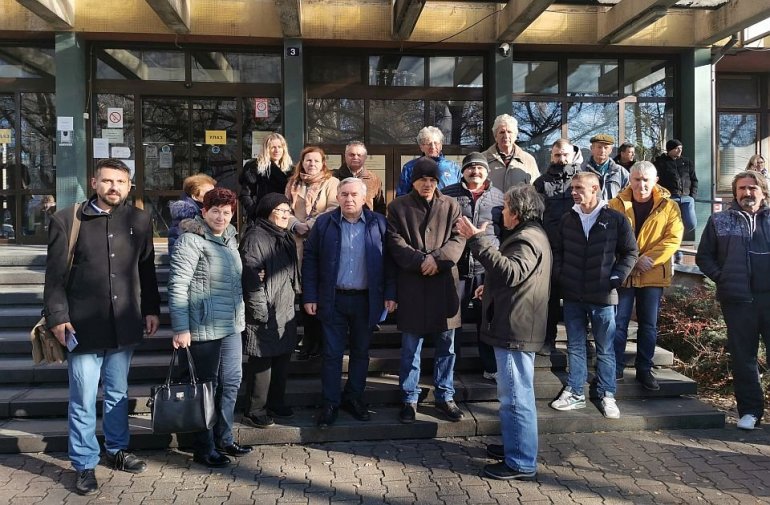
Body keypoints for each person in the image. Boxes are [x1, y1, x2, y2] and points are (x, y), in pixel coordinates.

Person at [43, 158, 161, 495]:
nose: (114, 187)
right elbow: (54, 277)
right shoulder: (67, 219)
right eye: (107, 181)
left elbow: (147, 269)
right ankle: (84, 463)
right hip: (82, 326)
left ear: (129, 186)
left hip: (124, 322)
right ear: (94, 183)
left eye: (121, 182)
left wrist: (151, 309)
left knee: (117, 393)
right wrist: (57, 317)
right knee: (82, 397)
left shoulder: (140, 219)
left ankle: (117, 449)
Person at [455, 184, 551, 481]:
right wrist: (491, 287)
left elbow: (511, 272)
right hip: (515, 325)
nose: (502, 212)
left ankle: (520, 461)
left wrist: (477, 240)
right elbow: (517, 276)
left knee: (515, 398)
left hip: (515, 331)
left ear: (518, 212)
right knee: (515, 395)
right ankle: (516, 446)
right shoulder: (529, 235)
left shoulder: (526, 238)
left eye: (506, 207)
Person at [303, 177, 397, 428]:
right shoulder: (324, 222)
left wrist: (391, 293)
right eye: (344, 194)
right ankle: (330, 402)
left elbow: (390, 261)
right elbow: (310, 259)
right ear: (337, 197)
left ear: (364, 197)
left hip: (366, 300)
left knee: (360, 353)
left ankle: (354, 398)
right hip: (332, 299)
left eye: (354, 194)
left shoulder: (379, 223)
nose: (349, 199)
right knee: (331, 354)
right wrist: (310, 295)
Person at [167, 187, 250, 468]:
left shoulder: (230, 240)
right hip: (203, 327)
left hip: (231, 326)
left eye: (226, 212)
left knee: (232, 382)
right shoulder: (191, 241)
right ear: (203, 211)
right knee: (207, 388)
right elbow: (178, 286)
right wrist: (181, 328)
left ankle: (224, 438)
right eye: (215, 211)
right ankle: (204, 447)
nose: (221, 217)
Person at [550, 172, 638, 419]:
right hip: (573, 295)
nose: (574, 192)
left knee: (605, 348)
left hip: (603, 296)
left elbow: (630, 252)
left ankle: (607, 394)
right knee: (575, 346)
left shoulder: (616, 219)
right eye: (573, 188)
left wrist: (616, 277)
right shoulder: (567, 219)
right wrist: (561, 276)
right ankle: (575, 392)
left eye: (579, 188)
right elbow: (558, 251)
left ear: (595, 189)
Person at [387, 157, 466, 423]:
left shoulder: (451, 205)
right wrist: (421, 260)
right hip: (413, 284)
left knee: (447, 347)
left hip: (444, 284)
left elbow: (459, 238)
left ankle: (445, 395)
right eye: (423, 179)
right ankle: (409, 398)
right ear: (414, 181)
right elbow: (394, 241)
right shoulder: (397, 206)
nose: (428, 184)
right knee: (411, 348)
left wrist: (438, 259)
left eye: (432, 180)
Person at [696, 170, 770, 431]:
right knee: (743, 357)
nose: (747, 193)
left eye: (752, 188)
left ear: (763, 191)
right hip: (738, 301)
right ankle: (750, 412)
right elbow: (704, 257)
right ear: (735, 192)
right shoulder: (719, 221)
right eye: (742, 188)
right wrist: (723, 278)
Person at [608, 161, 683, 390]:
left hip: (652, 273)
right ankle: (616, 368)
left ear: (655, 181)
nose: (641, 185)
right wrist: (632, 261)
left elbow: (672, 239)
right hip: (625, 272)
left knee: (648, 325)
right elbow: (608, 237)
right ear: (630, 180)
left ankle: (644, 369)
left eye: (646, 180)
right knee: (619, 323)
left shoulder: (669, 206)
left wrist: (646, 260)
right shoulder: (615, 204)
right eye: (637, 179)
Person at [239, 193, 300, 429]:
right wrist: (259, 310)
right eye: (279, 210)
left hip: (284, 306)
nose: (285, 215)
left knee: (282, 357)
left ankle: (276, 402)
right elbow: (250, 275)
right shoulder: (256, 236)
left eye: (287, 210)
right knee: (262, 361)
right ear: (267, 212)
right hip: (264, 306)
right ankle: (255, 410)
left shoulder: (285, 236)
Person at [442, 152, 504, 381]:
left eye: (480, 168)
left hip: (486, 269)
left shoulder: (499, 197)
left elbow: (504, 232)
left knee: (487, 319)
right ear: (463, 171)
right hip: (456, 267)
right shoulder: (448, 194)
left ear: (487, 172)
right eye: (471, 167)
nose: (475, 172)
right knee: (452, 320)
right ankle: (450, 369)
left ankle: (490, 367)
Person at [285, 146, 340, 360]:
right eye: (308, 160)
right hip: (297, 242)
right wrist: (295, 224)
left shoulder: (331, 182)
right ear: (302, 162)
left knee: (318, 290)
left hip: (322, 241)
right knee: (303, 292)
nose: (312, 164)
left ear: (323, 163)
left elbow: (333, 207)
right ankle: (306, 340)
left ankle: (318, 341)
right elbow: (284, 209)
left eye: (316, 161)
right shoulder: (293, 183)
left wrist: (309, 224)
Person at [534, 139, 582, 356]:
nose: (561, 159)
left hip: (577, 249)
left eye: (565, 155)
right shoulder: (541, 183)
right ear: (551, 156)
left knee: (577, 297)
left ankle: (578, 343)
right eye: (557, 155)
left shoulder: (582, 180)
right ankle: (548, 340)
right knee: (550, 297)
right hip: (550, 248)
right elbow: (533, 215)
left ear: (572, 155)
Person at [239, 132, 293, 222]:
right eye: (273, 147)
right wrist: (255, 212)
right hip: (263, 218)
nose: (277, 150)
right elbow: (245, 195)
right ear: (266, 149)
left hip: (285, 216)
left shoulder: (290, 170)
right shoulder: (255, 167)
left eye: (279, 147)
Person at [482, 114, 540, 191]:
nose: (506, 136)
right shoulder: (483, 159)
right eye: (502, 132)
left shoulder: (528, 160)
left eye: (509, 132)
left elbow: (536, 189)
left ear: (515, 136)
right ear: (495, 136)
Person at [396, 126, 459, 196]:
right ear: (421, 147)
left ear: (441, 146)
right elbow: (401, 196)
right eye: (428, 143)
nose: (433, 147)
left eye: (436, 143)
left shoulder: (453, 167)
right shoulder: (410, 167)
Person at [654, 139, 698, 237]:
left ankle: (675, 238)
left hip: (686, 198)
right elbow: (656, 182)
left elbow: (694, 179)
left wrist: (692, 196)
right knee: (668, 223)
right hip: (670, 198)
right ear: (670, 150)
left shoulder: (687, 162)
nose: (680, 150)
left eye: (681, 148)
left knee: (691, 223)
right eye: (677, 148)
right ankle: (673, 242)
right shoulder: (660, 163)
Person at [332, 141, 386, 214]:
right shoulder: (333, 177)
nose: (355, 157)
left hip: (367, 220)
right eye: (352, 155)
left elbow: (380, 206)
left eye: (359, 155)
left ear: (365, 157)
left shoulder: (374, 179)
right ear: (345, 156)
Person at [168, 173, 216, 254]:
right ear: (195, 196)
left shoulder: (204, 210)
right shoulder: (187, 214)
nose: (213, 196)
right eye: (208, 193)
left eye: (214, 192)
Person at [580, 134, 629, 201]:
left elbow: (628, 195)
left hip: (612, 207)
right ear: (592, 148)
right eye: (599, 147)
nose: (602, 150)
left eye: (606, 148)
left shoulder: (620, 172)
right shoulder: (582, 170)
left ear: (611, 150)